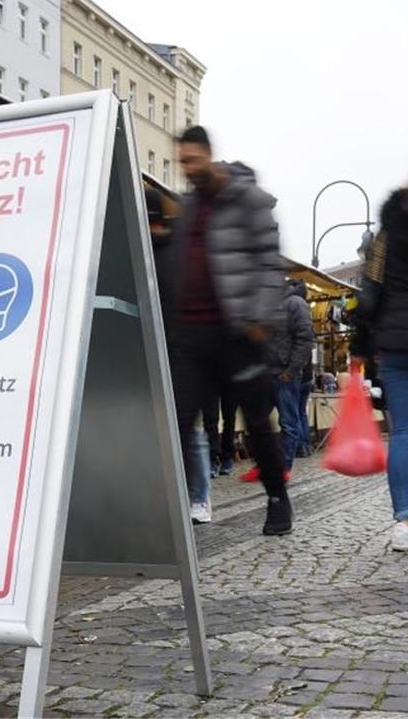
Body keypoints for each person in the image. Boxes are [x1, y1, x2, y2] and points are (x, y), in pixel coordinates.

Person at [169, 127, 292, 535]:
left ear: (207, 155)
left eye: (191, 160)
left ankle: (278, 498)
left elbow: (271, 265)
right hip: (193, 337)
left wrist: (259, 319)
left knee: (256, 422)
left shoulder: (247, 202)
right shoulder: (187, 207)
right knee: (180, 421)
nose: (186, 168)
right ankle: (175, 507)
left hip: (238, 333)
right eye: (182, 161)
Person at [354, 145, 408, 551]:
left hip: (397, 344)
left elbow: (369, 290)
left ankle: (405, 524)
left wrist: (362, 341)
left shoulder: (389, 229)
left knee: (405, 431)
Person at [147, 186, 212, 522]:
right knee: (171, 427)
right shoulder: (145, 252)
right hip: (158, 347)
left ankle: (199, 497)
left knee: (190, 428)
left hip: (180, 349)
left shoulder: (174, 252)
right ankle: (179, 497)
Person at [264, 279, 314, 478]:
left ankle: (284, 468)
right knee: (260, 420)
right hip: (269, 372)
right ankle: (268, 464)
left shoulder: (295, 303)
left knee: (288, 422)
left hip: (284, 373)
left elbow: (305, 338)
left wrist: (292, 370)